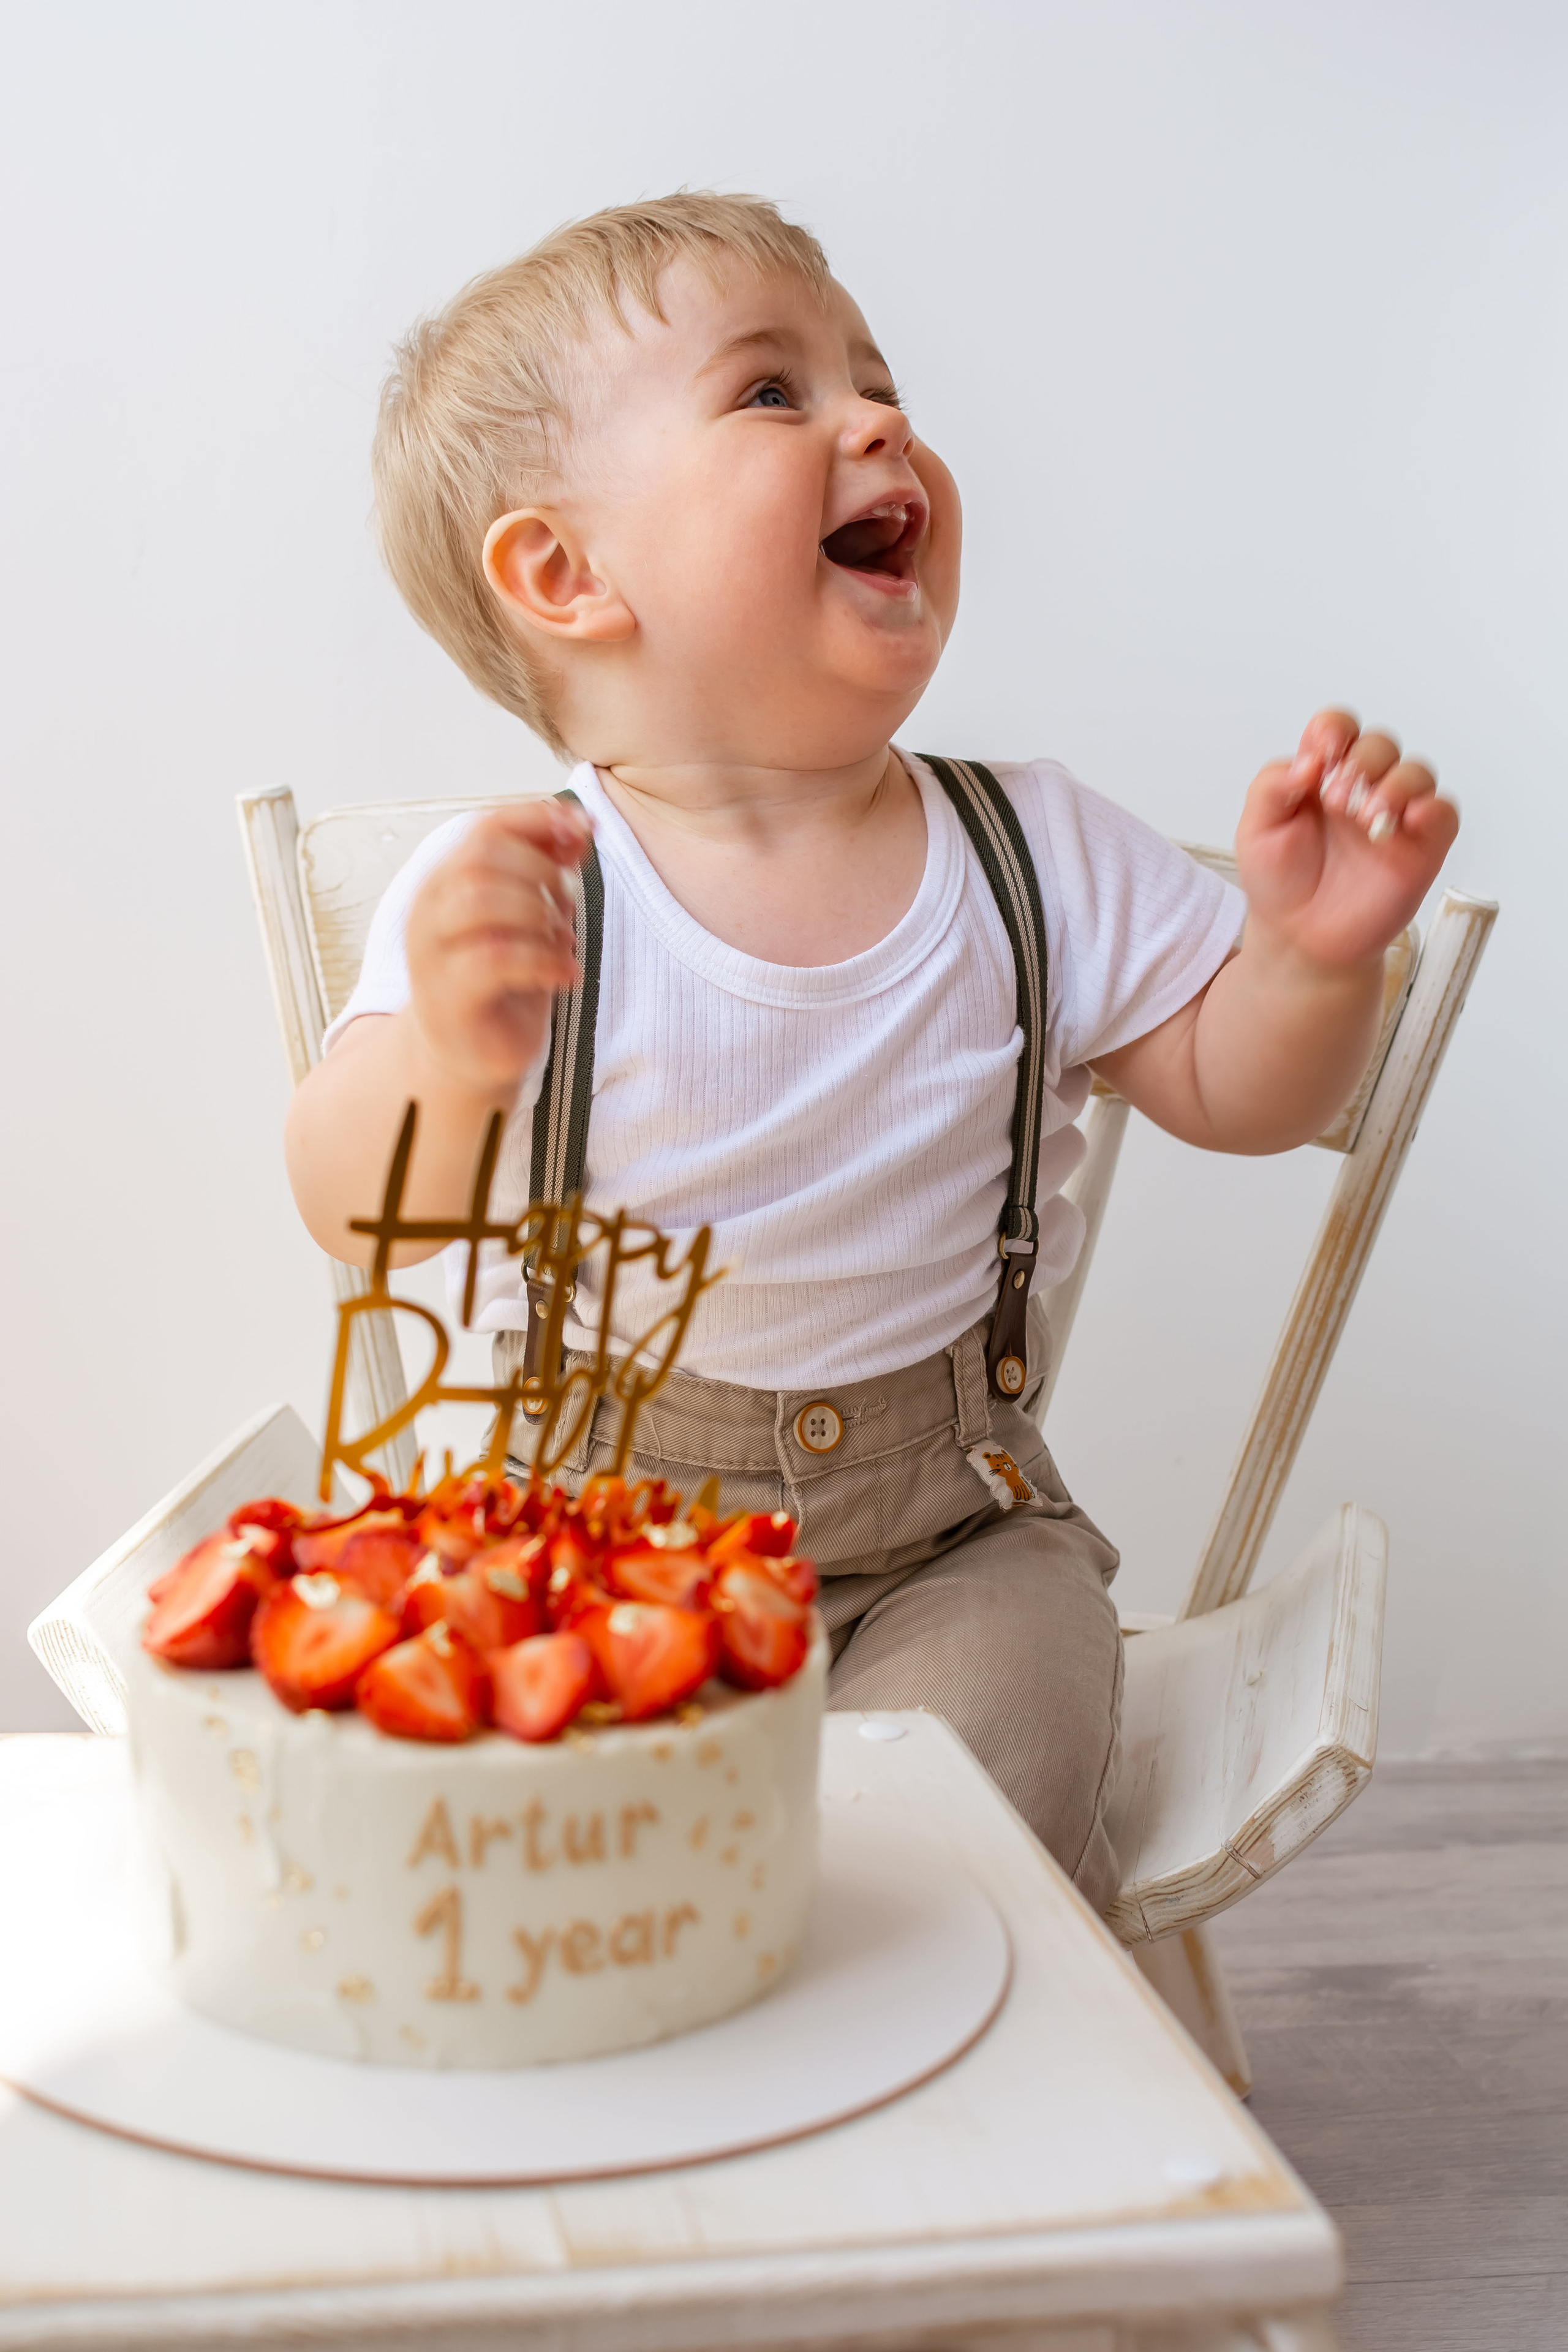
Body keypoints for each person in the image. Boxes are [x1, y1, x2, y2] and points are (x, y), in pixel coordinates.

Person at [284, 194, 1458, 1912]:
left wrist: (1305, 956)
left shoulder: (1034, 852)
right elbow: (355, 1210)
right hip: (606, 1549)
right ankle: (656, 2083)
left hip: (951, 1544)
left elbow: (1241, 1093)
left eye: (876, 380)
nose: (879, 418)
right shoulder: (523, 896)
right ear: (566, 576)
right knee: (546, 1849)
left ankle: (910, 2078)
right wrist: (452, 1065)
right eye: (774, 393)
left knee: (974, 1825)